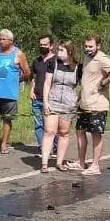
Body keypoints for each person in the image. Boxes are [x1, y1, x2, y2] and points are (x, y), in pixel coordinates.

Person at [74, 34, 110, 176]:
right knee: (80, 132)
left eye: (91, 46)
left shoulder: (102, 58)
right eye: (86, 46)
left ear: (98, 46)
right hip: (84, 103)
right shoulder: (87, 58)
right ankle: (81, 161)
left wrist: (104, 82)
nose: (88, 49)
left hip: (97, 104)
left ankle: (95, 165)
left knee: (96, 135)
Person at [40, 39, 80, 173]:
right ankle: (44, 163)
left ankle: (59, 162)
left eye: (62, 50)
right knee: (49, 131)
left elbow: (81, 86)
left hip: (69, 104)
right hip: (53, 102)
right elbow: (47, 84)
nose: (59, 52)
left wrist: (77, 101)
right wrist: (46, 102)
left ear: (70, 51)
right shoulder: (53, 63)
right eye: (58, 50)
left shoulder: (78, 67)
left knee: (64, 133)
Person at [29, 34, 56, 154]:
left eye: (45, 44)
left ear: (51, 45)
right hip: (37, 98)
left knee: (51, 126)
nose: (42, 46)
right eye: (41, 44)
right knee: (38, 124)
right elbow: (34, 77)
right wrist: (31, 90)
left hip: (51, 99)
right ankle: (42, 147)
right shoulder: (36, 61)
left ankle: (55, 146)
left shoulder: (57, 61)